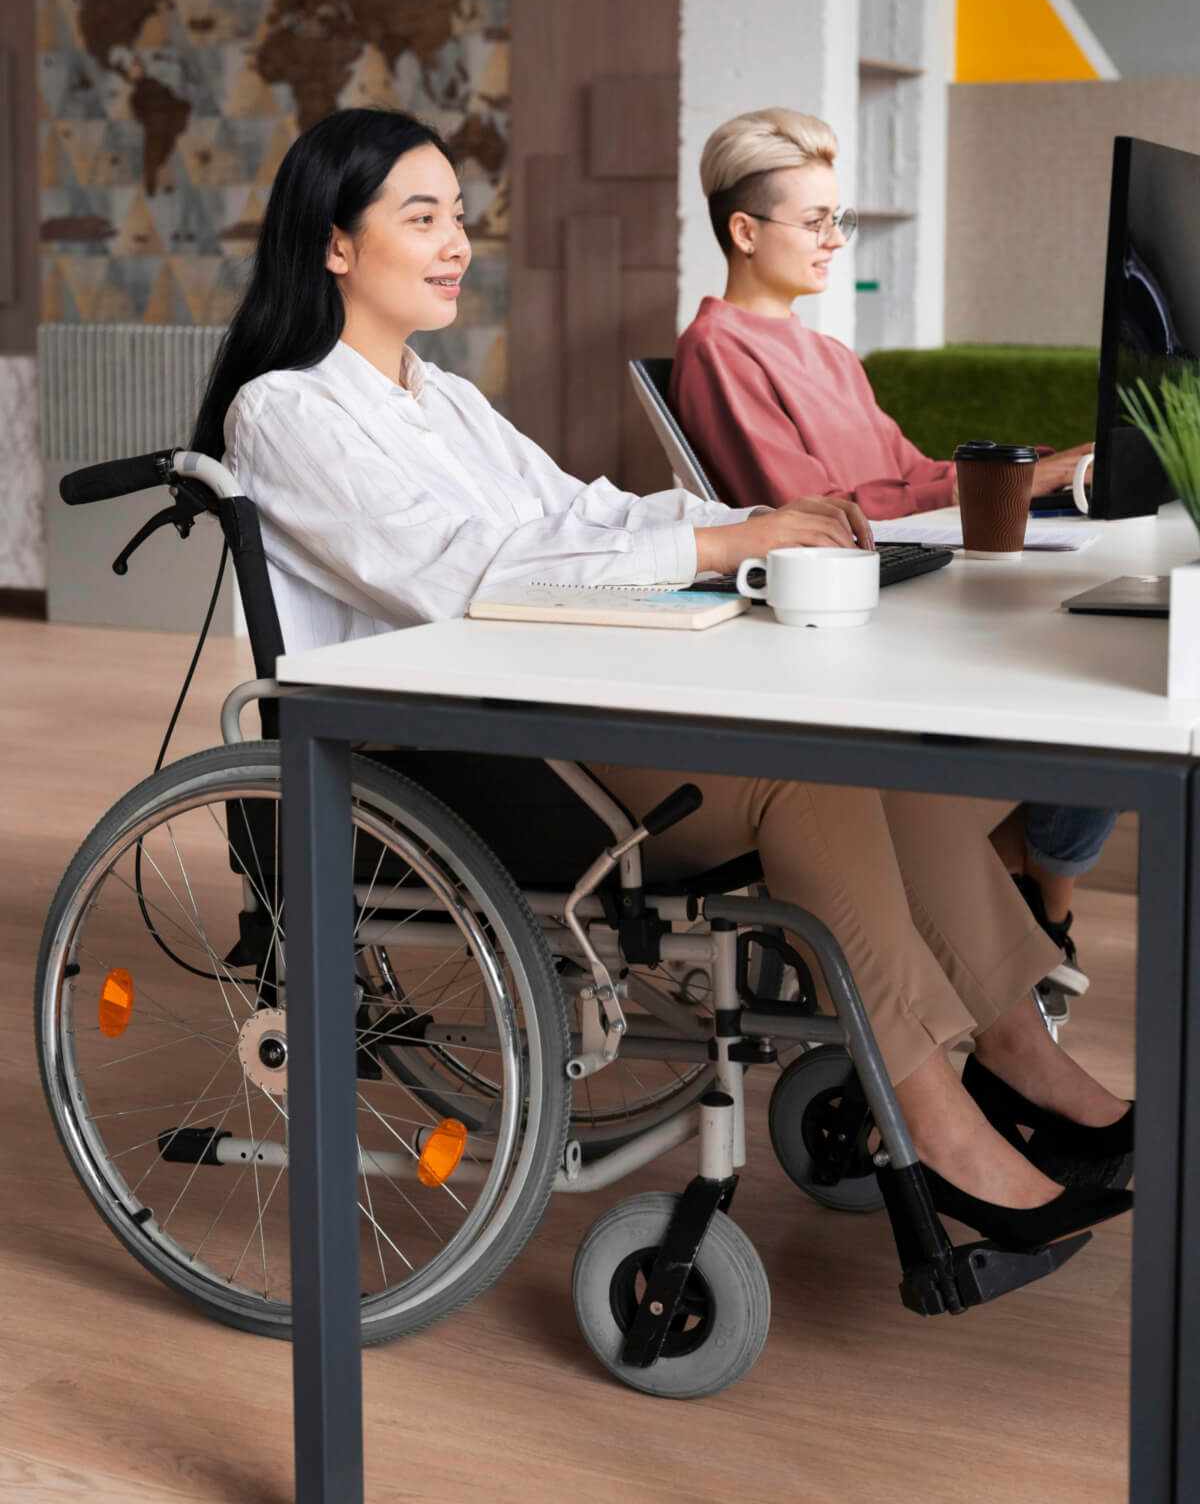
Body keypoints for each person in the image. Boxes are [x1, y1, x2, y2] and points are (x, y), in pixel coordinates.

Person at [192, 107, 1132, 1256]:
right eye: (420, 216)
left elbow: (576, 511)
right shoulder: (283, 408)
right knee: (811, 780)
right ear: (335, 245)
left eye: (460, 217)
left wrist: (746, 522)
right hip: (429, 758)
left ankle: (1011, 1051)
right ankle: (933, 1122)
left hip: (531, 708)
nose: (454, 243)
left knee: (868, 763)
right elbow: (454, 578)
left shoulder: (437, 397)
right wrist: (711, 552)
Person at [670, 108, 1118, 1000]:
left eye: (841, 219)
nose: (835, 241)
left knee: (1095, 660)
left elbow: (908, 474)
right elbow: (819, 512)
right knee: (1077, 688)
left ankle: (1036, 908)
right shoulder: (718, 350)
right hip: (849, 611)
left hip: (902, 580)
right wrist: (1011, 485)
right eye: (817, 222)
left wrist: (1033, 470)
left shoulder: (829, 353)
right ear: (744, 231)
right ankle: (1029, 911)